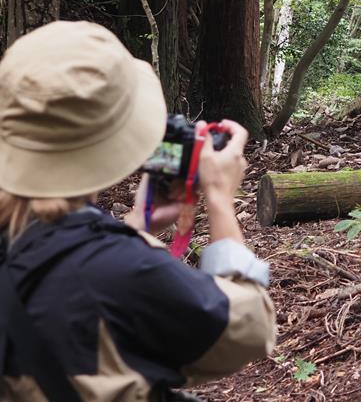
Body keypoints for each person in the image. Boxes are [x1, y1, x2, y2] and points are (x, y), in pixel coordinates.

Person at [0, 21, 275, 401]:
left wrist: (133, 227)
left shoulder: (21, 246)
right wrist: (218, 198)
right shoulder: (120, 271)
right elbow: (250, 327)